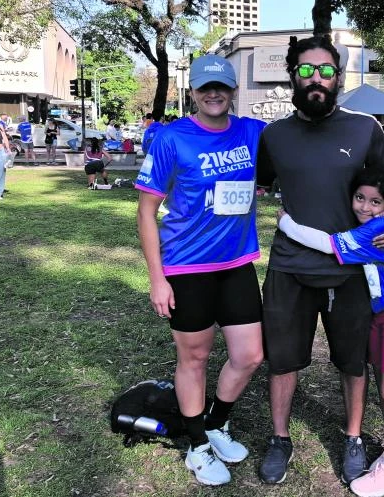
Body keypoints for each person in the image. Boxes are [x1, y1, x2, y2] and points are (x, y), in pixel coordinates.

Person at [254, 35, 384, 487]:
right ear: (292, 77)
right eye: (306, 70)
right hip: (289, 268)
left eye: (325, 70)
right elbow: (255, 183)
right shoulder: (275, 135)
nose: (316, 78)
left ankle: (354, 437)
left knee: (351, 362)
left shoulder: (364, 128)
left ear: (338, 76)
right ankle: (280, 438)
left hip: (352, 273)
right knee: (282, 361)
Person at [135, 55, 266, 486]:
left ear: (233, 92)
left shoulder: (252, 132)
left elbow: (306, 138)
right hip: (186, 267)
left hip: (237, 264)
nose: (215, 94)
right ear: (193, 91)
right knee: (194, 357)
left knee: (249, 356)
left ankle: (215, 423)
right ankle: (197, 446)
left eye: (223, 87)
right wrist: (157, 278)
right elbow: (147, 212)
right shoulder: (171, 138)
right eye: (206, 87)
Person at [276, 169, 384, 497]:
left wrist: (285, 222)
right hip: (379, 315)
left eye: (375, 201)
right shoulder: (379, 221)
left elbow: (328, 245)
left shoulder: (380, 226)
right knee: (383, 382)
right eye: (360, 198)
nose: (365, 207)